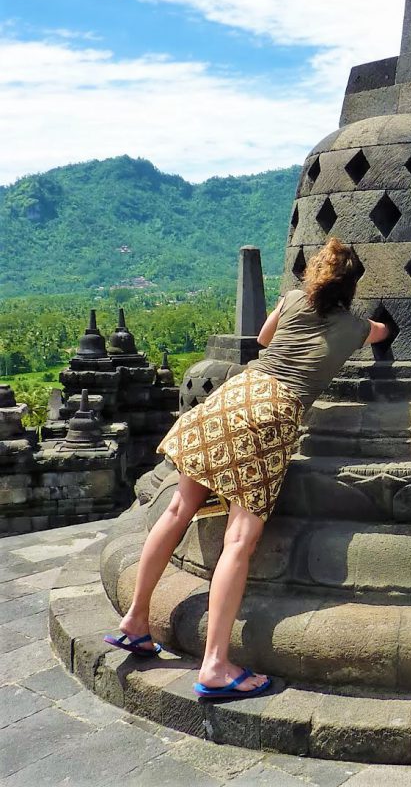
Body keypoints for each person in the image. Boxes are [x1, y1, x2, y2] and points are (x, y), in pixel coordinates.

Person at [103, 237, 388, 699]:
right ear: (351, 286)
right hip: (270, 416)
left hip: (233, 396)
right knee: (241, 538)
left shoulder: (293, 298)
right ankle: (215, 665)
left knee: (179, 508)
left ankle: (136, 619)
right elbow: (382, 332)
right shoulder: (355, 326)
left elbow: (262, 339)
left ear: (314, 275)